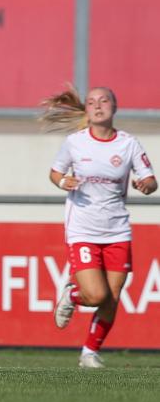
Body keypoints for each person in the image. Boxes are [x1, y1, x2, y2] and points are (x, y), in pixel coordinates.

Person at [46, 86, 156, 368]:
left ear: (114, 108)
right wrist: (62, 182)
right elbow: (55, 171)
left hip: (117, 229)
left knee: (113, 297)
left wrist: (145, 185)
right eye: (92, 102)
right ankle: (72, 294)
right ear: (87, 111)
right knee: (96, 296)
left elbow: (151, 180)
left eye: (104, 101)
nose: (98, 106)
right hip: (83, 228)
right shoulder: (75, 142)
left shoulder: (129, 144)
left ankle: (89, 353)